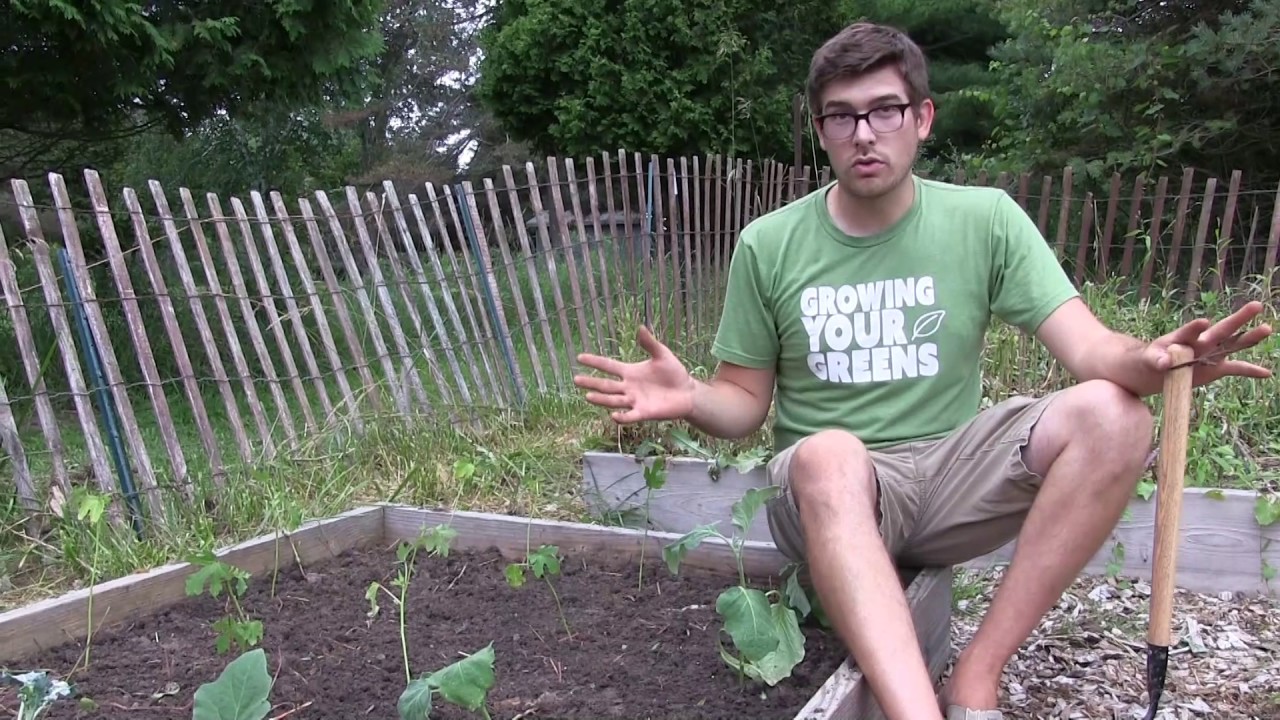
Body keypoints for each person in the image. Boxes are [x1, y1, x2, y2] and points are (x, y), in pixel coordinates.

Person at [572, 20, 1273, 720]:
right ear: (821, 131)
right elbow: (745, 403)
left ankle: (976, 678)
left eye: (884, 109)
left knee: (1117, 416)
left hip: (949, 479)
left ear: (922, 118)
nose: (864, 133)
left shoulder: (984, 220)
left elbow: (1093, 352)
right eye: (842, 116)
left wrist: (1153, 362)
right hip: (829, 497)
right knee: (829, 455)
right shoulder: (770, 244)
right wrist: (693, 395)